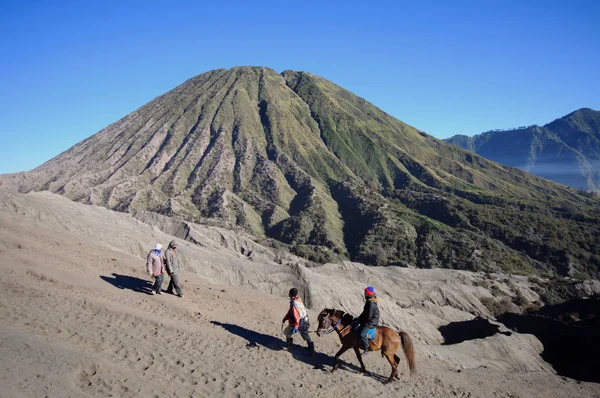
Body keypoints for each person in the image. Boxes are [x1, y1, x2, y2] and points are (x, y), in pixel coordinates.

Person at [282, 288, 315, 356]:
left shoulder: (294, 303)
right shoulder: (298, 300)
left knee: (287, 332)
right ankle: (311, 347)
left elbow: (295, 315)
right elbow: (291, 311)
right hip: (304, 320)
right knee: (304, 333)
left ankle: (289, 346)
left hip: (297, 322)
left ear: (290, 294)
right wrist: (286, 317)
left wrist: (296, 326)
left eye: (289, 292)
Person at [355, 286, 380, 355]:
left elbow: (368, 316)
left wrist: (361, 321)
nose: (364, 293)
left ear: (368, 293)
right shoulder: (369, 301)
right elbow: (364, 313)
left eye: (365, 292)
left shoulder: (371, 303)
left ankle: (366, 348)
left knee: (362, 334)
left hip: (371, 322)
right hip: (369, 320)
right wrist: (358, 319)